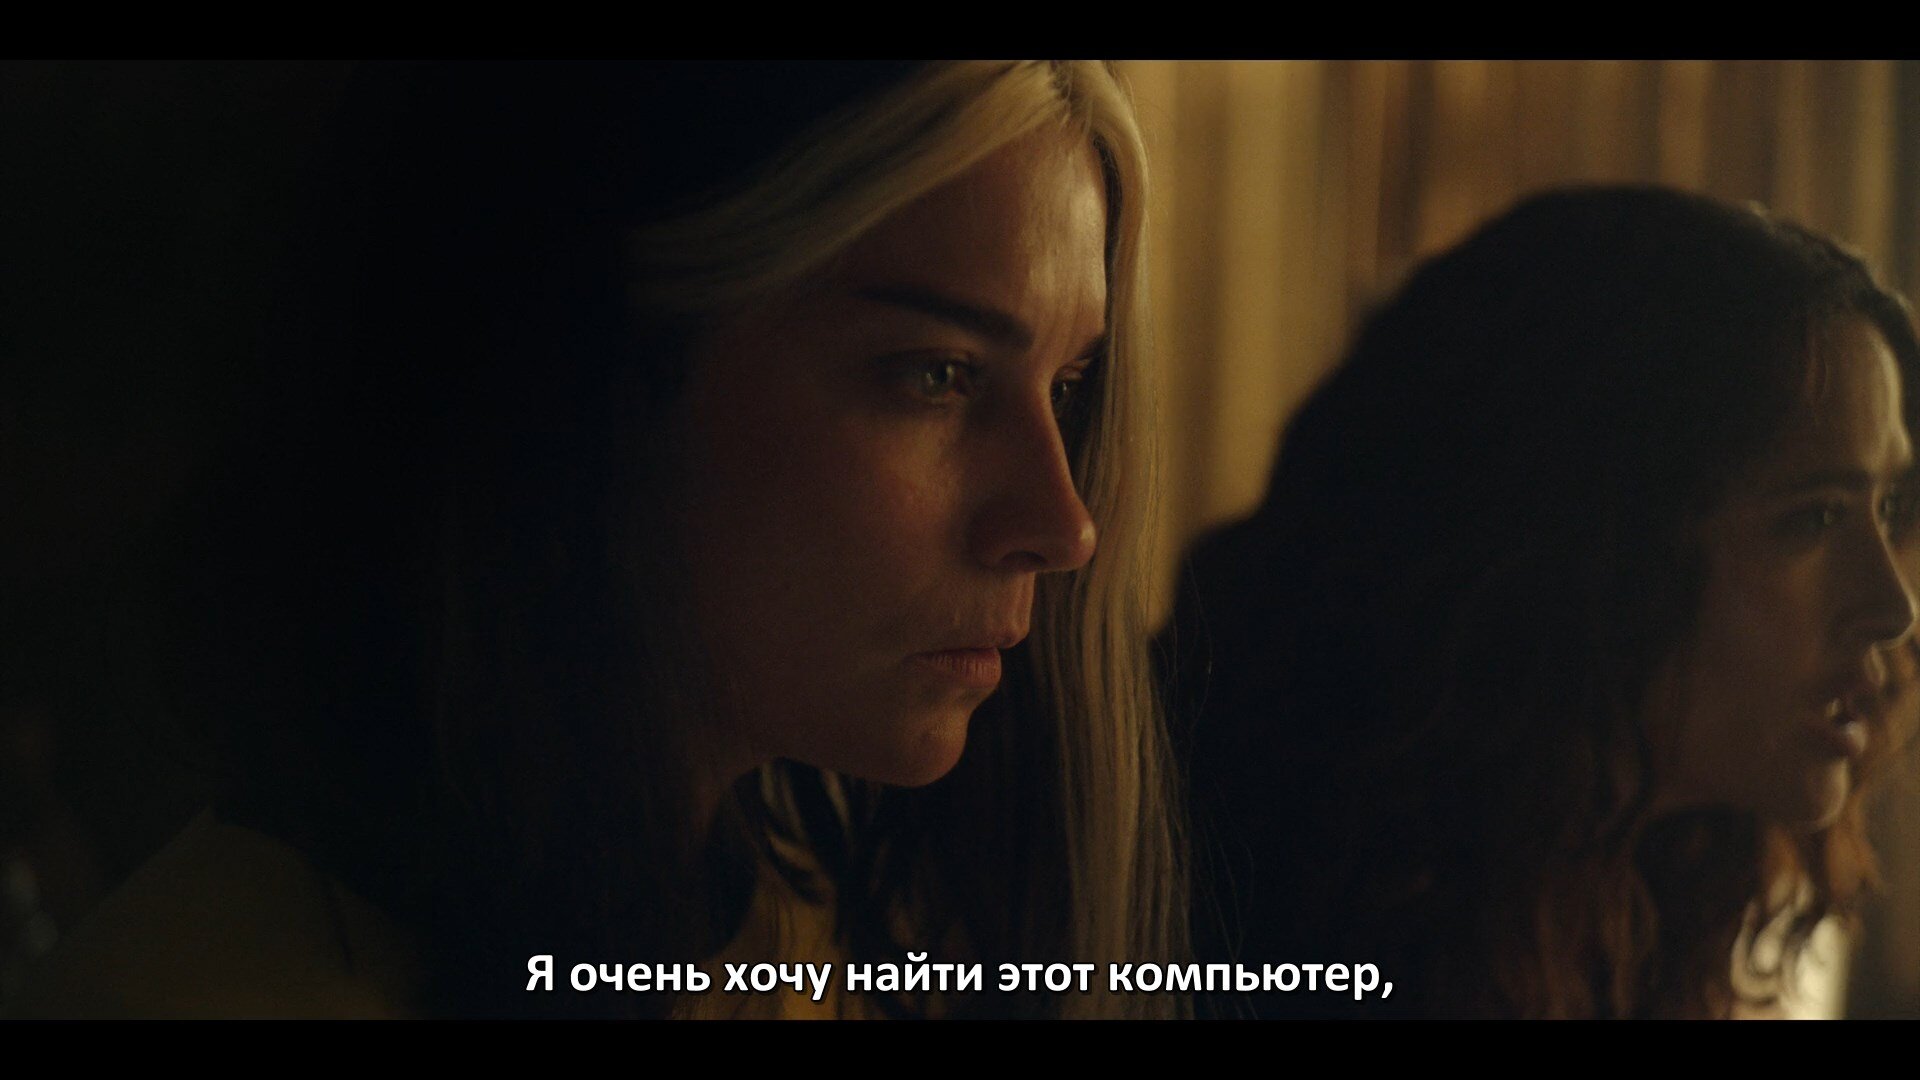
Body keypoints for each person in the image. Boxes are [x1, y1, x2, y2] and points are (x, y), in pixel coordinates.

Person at [24, 61, 1183, 1019]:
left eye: (1067, 386)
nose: (1063, 525)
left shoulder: (784, 943)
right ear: (595, 377)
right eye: (936, 375)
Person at [1172, 185, 1920, 1019]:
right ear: (1590, 548)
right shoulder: (1210, 916)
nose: (1893, 609)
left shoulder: (1671, 897)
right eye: (1813, 517)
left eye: (1888, 507)